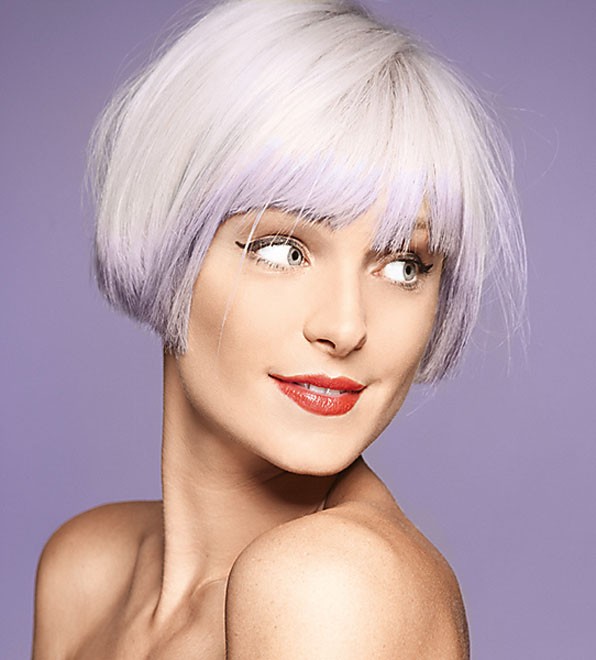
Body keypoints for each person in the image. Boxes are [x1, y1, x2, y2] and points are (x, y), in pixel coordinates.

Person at [32, 0, 525, 657]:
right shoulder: (87, 571)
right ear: (168, 238)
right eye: (283, 251)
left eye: (404, 265)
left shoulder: (333, 584)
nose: (345, 326)